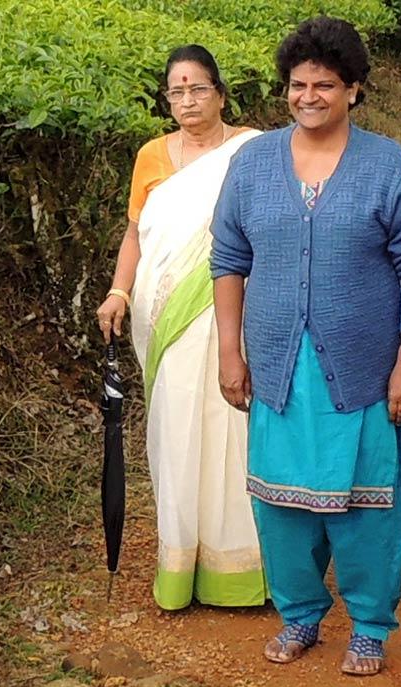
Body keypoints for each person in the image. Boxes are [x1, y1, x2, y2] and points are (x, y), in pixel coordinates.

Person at [211, 17, 401, 676]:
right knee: (281, 508)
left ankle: (369, 623)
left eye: (326, 85)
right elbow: (228, 259)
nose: (309, 96)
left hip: (363, 369)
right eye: (298, 84)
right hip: (281, 370)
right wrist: (232, 352)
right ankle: (301, 614)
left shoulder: (387, 165)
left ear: (354, 89)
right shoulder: (253, 164)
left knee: (368, 507)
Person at [96, 45, 266, 610]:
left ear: (220, 93)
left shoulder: (252, 150)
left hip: (233, 310)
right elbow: (136, 235)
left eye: (198, 89)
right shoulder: (150, 156)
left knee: (232, 426)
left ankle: (243, 567)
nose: (188, 101)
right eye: (177, 91)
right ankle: (179, 564)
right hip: (162, 319)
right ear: (167, 100)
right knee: (175, 428)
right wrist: (119, 290)